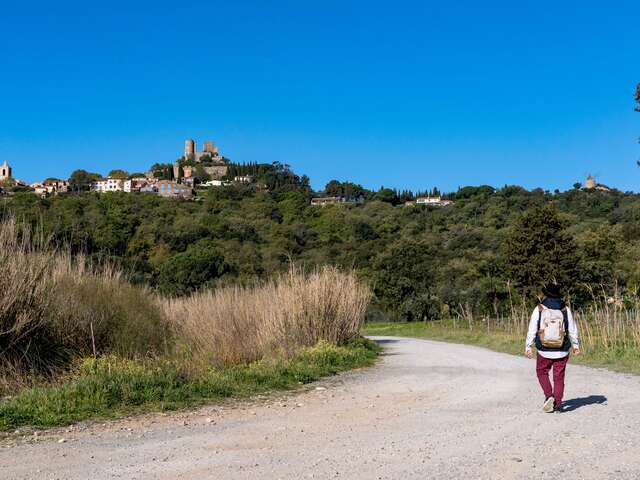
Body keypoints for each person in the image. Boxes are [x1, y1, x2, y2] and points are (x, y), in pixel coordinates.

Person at [525, 283, 580, 413]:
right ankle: (558, 404)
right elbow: (572, 329)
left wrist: (528, 346)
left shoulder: (539, 308)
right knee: (559, 377)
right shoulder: (565, 309)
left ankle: (549, 396)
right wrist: (576, 346)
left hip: (544, 349)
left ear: (546, 294)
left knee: (541, 372)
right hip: (562, 349)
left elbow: (532, 329)